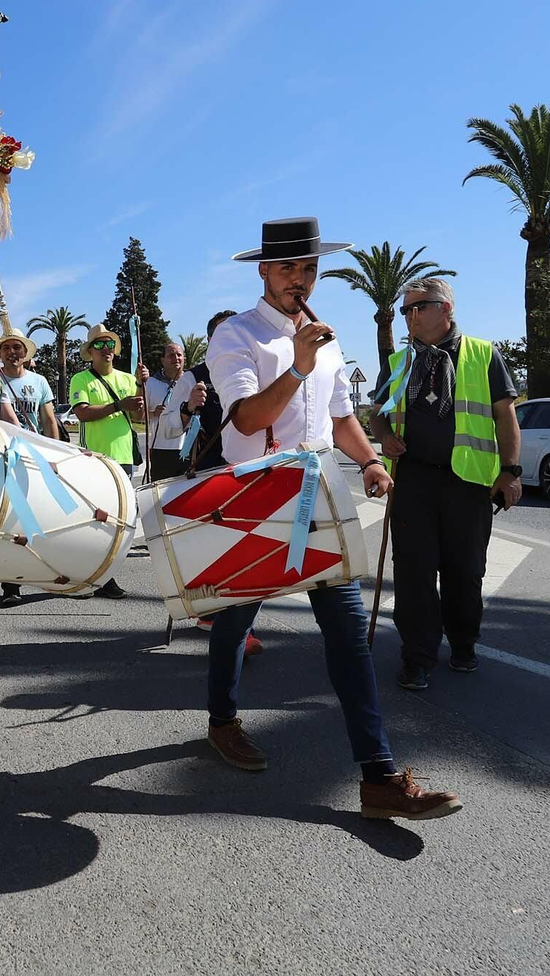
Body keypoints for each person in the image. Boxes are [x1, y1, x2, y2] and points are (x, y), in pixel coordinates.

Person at [203, 216, 462, 820]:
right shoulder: (236, 337)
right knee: (235, 624)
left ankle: (379, 775)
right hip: (257, 500)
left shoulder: (325, 340)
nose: (301, 279)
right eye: (289, 267)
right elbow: (243, 420)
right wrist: (294, 366)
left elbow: (342, 417)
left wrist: (370, 460)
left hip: (318, 497)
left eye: (310, 268)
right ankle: (221, 721)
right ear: (263, 271)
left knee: (349, 634)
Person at [367, 278, 520, 688]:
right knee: (414, 574)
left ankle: (464, 644)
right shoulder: (399, 360)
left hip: (468, 482)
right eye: (406, 310)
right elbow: (376, 412)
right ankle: (417, 657)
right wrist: (383, 437)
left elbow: (505, 415)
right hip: (412, 481)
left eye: (420, 306)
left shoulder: (482, 354)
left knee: (465, 572)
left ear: (446, 309)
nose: (411, 316)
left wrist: (510, 471)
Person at [168, 311, 264, 650]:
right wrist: (187, 407)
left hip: (247, 472)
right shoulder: (193, 377)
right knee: (216, 546)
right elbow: (168, 427)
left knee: (246, 548)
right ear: (214, 339)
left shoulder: (252, 366)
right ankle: (220, 618)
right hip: (208, 469)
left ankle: (236, 624)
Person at [67, 323, 145, 599]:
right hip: (94, 458)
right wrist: (118, 406)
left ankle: (106, 576)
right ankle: (83, 575)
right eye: (99, 345)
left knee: (116, 522)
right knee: (90, 520)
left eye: (110, 345)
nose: (106, 350)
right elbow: (83, 414)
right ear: (90, 352)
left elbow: (136, 417)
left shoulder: (126, 379)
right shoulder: (81, 379)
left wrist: (140, 390)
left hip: (123, 459)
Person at [0, 328, 59, 606]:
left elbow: (49, 419)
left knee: (36, 518)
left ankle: (44, 574)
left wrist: (54, 454)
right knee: (8, 520)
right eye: (6, 348)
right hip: (2, 456)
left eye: (17, 347)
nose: (12, 353)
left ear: (25, 352)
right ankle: (9, 585)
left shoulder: (39, 381)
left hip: (34, 457)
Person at [145, 341, 188, 481]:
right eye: (171, 355)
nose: (176, 358)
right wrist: (153, 413)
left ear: (184, 359)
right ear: (163, 360)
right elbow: (139, 415)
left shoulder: (192, 382)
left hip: (188, 448)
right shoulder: (151, 383)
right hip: (161, 449)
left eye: (179, 355)